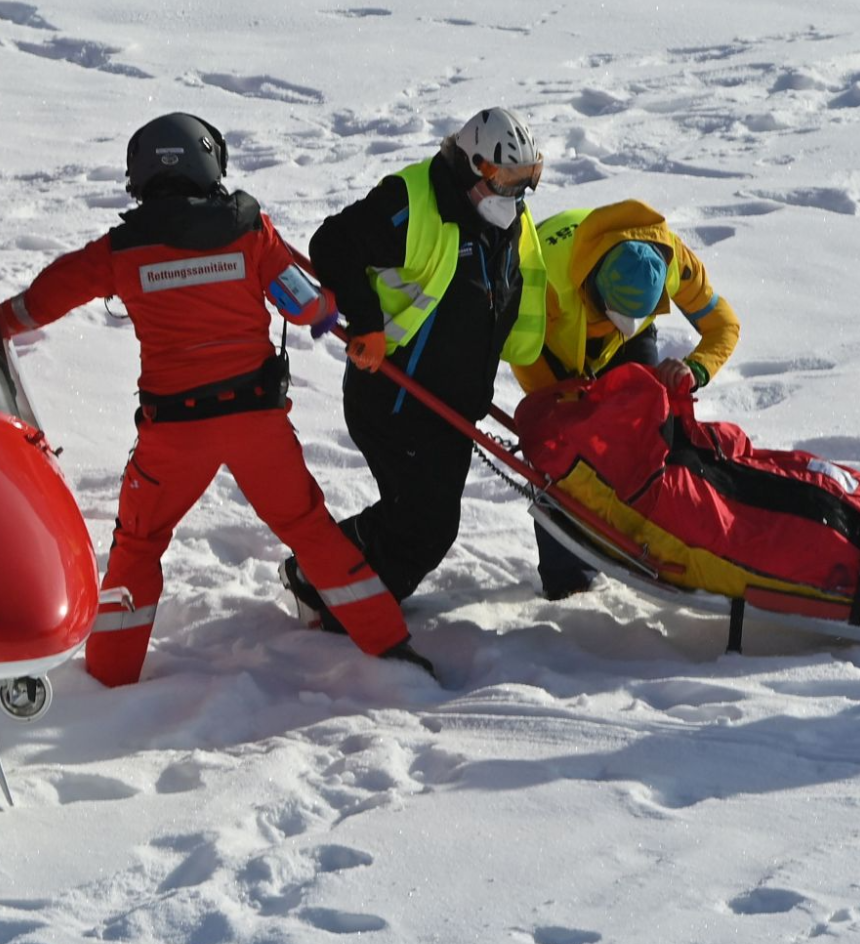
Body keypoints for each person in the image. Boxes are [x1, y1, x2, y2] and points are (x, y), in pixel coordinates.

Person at [0, 112, 422, 685]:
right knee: (311, 531)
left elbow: (41, 302)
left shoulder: (119, 250)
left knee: (139, 545)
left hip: (174, 435)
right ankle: (389, 645)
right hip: (257, 426)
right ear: (210, 164)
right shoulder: (250, 230)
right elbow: (310, 307)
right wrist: (325, 309)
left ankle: (110, 679)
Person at [307, 106, 549, 608]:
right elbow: (331, 245)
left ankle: (327, 582)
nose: (517, 194)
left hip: (451, 409)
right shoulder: (411, 201)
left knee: (424, 522)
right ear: (475, 166)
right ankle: (340, 601)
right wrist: (368, 324)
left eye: (527, 180)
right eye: (507, 179)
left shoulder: (507, 223)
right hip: (395, 397)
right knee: (425, 525)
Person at [510, 199, 742, 597]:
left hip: (624, 340)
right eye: (617, 312)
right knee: (565, 457)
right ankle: (568, 583)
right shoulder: (542, 284)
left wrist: (695, 368)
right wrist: (576, 402)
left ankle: (647, 541)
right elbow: (523, 353)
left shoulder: (670, 261)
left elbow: (724, 325)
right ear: (595, 286)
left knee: (649, 432)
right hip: (550, 342)